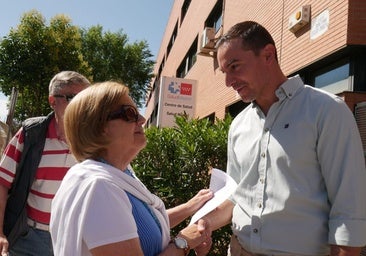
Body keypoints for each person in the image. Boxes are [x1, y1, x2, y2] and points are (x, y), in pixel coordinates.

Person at [201, 21, 366, 256]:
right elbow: (236, 198)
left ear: (268, 55)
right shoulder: (238, 125)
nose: (229, 82)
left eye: (234, 67)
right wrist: (205, 222)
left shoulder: (327, 111)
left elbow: (348, 211)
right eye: (225, 72)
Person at [49, 81, 213, 256]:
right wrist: (183, 243)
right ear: (99, 126)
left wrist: (190, 207)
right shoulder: (99, 188)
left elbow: (144, 225)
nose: (142, 120)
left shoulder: (119, 174)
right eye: (130, 113)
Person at [0, 71, 91, 256]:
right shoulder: (31, 133)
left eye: (86, 99)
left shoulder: (95, 140)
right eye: (72, 98)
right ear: (52, 101)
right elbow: (2, 182)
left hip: (73, 239)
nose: (80, 105)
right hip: (28, 238)